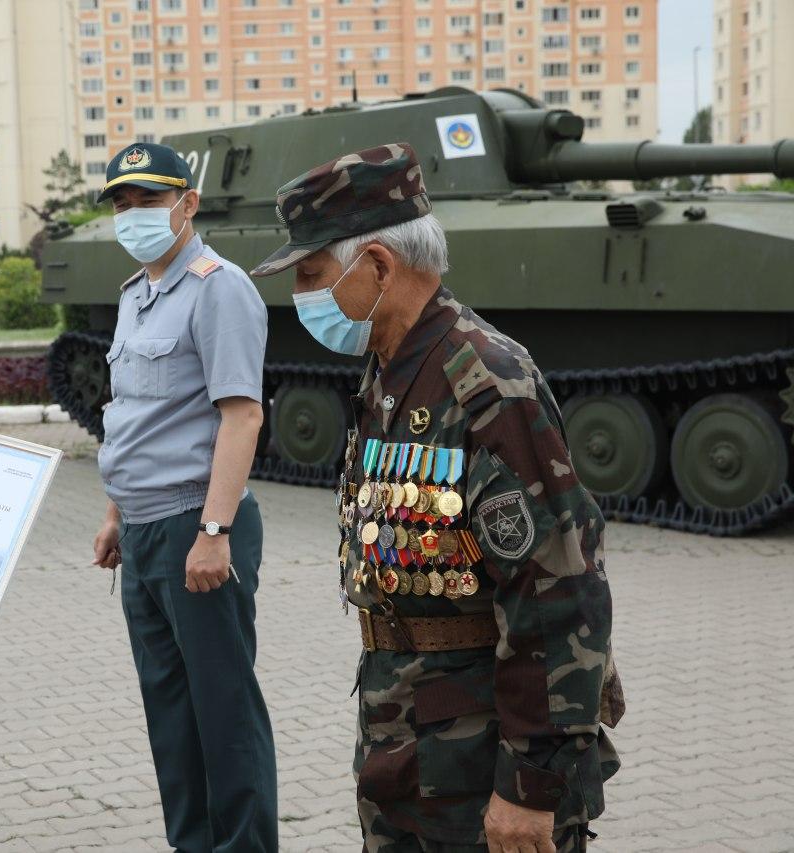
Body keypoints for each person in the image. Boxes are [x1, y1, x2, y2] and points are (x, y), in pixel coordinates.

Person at [251, 144, 622, 853]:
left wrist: (529, 786)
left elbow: (556, 592)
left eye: (311, 273)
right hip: (407, 743)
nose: (301, 295)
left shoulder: (485, 382)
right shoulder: (390, 370)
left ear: (380, 267)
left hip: (481, 756)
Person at [89, 143, 277, 853]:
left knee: (224, 711)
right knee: (171, 712)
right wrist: (113, 512)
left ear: (187, 204)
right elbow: (129, 411)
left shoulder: (218, 287)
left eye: (148, 199)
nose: (132, 215)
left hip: (196, 528)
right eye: (122, 202)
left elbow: (242, 414)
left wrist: (215, 529)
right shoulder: (134, 295)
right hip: (142, 530)